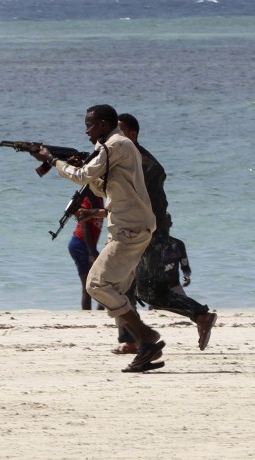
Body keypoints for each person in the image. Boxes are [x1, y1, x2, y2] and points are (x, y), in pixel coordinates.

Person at [32, 104, 165, 373]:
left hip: (128, 228)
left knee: (96, 285)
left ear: (104, 124)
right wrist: (77, 165)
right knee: (112, 288)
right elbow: (101, 186)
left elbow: (82, 177)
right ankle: (143, 346)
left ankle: (146, 338)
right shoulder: (121, 146)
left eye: (90, 125)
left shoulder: (112, 145)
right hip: (134, 226)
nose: (86, 130)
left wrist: (52, 160)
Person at [118, 114, 217, 352]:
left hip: (150, 235)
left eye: (119, 133)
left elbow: (142, 203)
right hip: (139, 232)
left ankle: (200, 315)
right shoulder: (130, 161)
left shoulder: (145, 165)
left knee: (151, 294)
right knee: (125, 285)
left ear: (132, 135)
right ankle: (132, 339)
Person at [67, 191, 105, 310]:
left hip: (83, 244)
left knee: (99, 283)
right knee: (97, 283)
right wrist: (91, 252)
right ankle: (93, 315)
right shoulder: (89, 197)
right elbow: (84, 224)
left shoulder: (99, 198)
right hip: (81, 243)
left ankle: (96, 314)